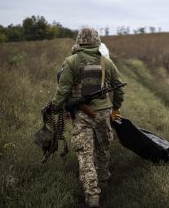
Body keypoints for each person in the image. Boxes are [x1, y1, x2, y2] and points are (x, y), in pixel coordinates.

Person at [52, 27, 124, 207]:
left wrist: (56, 107)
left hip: (82, 115)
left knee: (85, 154)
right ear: (97, 41)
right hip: (104, 114)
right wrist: (115, 107)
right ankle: (103, 182)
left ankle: (92, 195)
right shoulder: (106, 62)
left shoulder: (71, 62)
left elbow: (63, 90)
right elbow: (119, 88)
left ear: (79, 41)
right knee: (103, 149)